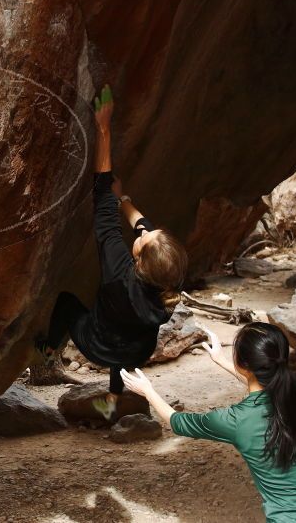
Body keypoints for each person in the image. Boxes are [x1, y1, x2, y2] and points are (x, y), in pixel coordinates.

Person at [35, 85, 188, 419]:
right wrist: (126, 201)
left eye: (146, 238)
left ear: (138, 258)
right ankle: (114, 400)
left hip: (97, 343)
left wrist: (103, 128)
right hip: (136, 349)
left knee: (65, 302)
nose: (146, 230)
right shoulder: (170, 280)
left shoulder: (119, 270)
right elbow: (143, 227)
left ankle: (49, 349)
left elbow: (101, 198)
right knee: (125, 344)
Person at [121, 322, 296, 522]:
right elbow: (268, 382)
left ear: (243, 364)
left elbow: (176, 420)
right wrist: (221, 360)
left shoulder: (235, 421)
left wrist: (148, 391)